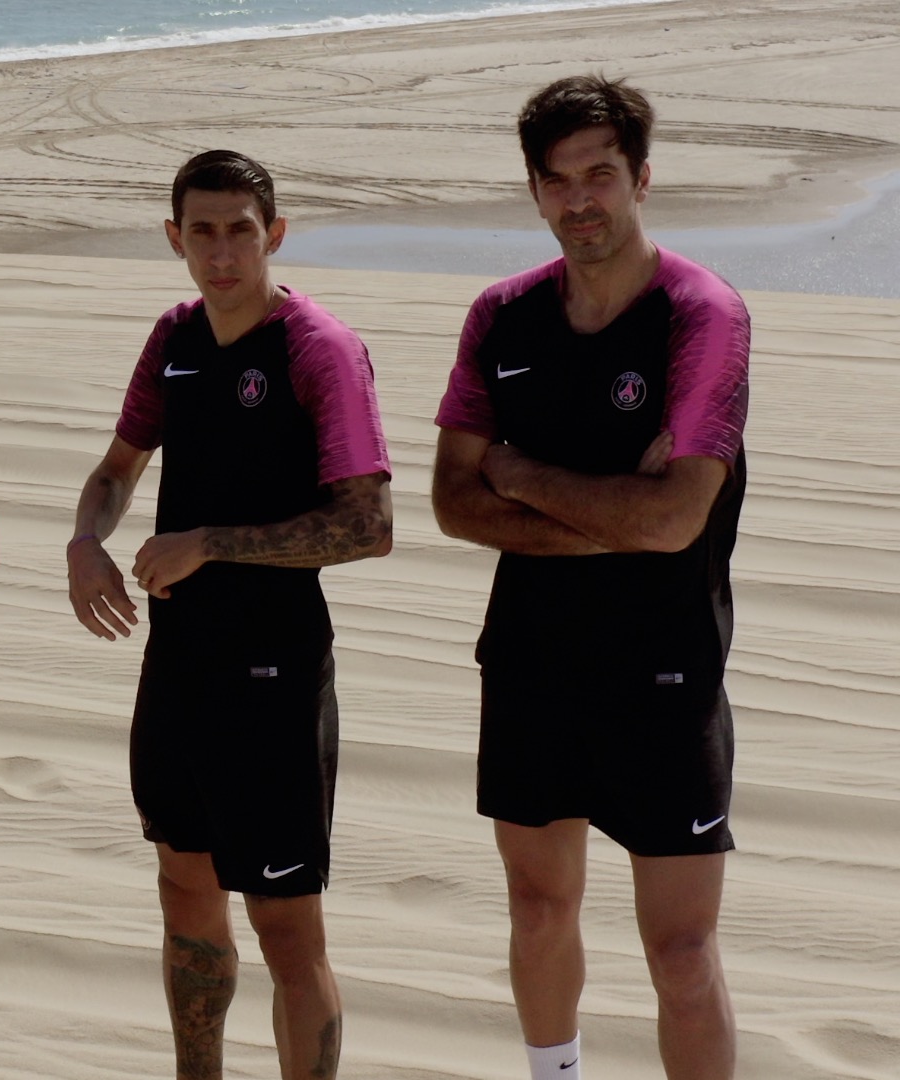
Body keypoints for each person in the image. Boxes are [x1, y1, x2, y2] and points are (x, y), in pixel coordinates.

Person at [430, 75, 750, 1080]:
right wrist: (613, 515)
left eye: (600, 175)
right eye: (558, 181)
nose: (581, 201)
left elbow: (675, 519)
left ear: (641, 178)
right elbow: (453, 501)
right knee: (537, 908)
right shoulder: (501, 317)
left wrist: (523, 475)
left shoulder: (702, 317)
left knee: (682, 951)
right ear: (534, 191)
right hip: (532, 660)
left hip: (666, 669)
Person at [66, 150, 392, 1080]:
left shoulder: (318, 348)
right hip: (178, 668)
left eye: (239, 231)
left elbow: (367, 526)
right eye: (200, 232)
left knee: (287, 927)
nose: (220, 253)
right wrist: (86, 541)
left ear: (273, 234)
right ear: (174, 238)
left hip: (276, 676)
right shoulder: (174, 336)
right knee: (183, 889)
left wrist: (209, 542)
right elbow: (116, 470)